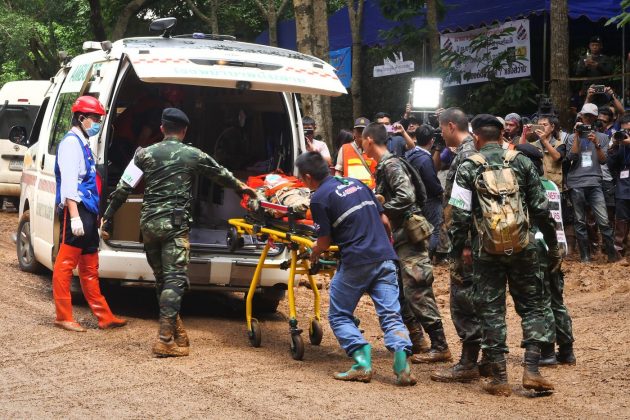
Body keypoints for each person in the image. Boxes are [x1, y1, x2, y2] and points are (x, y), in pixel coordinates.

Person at [102, 108, 258, 357]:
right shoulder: (192, 154)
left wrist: (108, 217)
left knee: (163, 281)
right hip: (174, 228)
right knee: (174, 281)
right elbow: (221, 174)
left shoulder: (143, 154)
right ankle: (164, 340)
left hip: (149, 226)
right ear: (184, 131)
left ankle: (178, 333)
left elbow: (123, 188)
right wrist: (244, 189)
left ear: (162, 129)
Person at [449, 114, 561, 396]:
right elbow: (541, 209)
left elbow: (458, 218)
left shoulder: (467, 166)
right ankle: (532, 370)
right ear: (502, 136)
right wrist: (553, 246)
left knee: (491, 310)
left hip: (485, 251)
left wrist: (456, 255)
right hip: (524, 247)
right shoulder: (521, 162)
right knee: (533, 306)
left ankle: (499, 377)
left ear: (476, 137)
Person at [301, 151, 416, 386]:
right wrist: (385, 245)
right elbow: (385, 221)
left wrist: (314, 252)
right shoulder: (356, 183)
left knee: (339, 314)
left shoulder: (319, 198)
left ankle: (362, 362)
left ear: (308, 177)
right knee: (391, 314)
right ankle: (402, 367)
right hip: (385, 258)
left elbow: (324, 242)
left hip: (356, 261)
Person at [362, 122, 452, 364]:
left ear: (369, 140)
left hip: (410, 237)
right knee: (400, 290)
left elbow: (407, 196)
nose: (361, 146)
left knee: (417, 289)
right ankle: (417, 339)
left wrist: (379, 209)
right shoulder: (385, 165)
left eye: (362, 141)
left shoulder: (391, 165)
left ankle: (440, 345)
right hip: (399, 237)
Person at [53, 95, 127, 332]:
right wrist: (74, 216)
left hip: (88, 210)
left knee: (90, 265)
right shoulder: (70, 144)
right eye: (94, 119)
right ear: (81, 117)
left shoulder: (83, 142)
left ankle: (104, 316)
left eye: (99, 119)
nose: (97, 123)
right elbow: (69, 183)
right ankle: (63, 316)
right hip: (77, 210)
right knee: (65, 264)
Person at [430, 107, 482, 383]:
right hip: (479, 238)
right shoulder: (477, 149)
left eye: (441, 128)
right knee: (481, 297)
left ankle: (469, 362)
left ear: (451, 126)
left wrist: (463, 243)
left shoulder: (465, 156)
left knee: (462, 299)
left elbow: (463, 204)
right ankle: (489, 359)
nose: (440, 133)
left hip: (466, 240)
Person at [515, 143, 576, 366]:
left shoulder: (525, 186)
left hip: (538, 248)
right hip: (556, 246)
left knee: (541, 301)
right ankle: (567, 351)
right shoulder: (550, 184)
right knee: (557, 301)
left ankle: (547, 351)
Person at [565, 103, 619, 263]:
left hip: (595, 182)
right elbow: (572, 157)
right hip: (576, 182)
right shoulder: (571, 137)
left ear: (595, 118)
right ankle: (585, 257)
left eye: (591, 116)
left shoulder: (602, 137)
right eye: (585, 115)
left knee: (604, 220)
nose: (587, 119)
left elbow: (603, 161)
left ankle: (611, 255)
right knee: (580, 221)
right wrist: (577, 136)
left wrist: (596, 144)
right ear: (581, 116)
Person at [403, 125, 445, 260]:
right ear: (432, 140)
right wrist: (440, 191)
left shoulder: (410, 155)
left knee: (419, 230)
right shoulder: (425, 159)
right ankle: (426, 259)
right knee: (434, 231)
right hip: (430, 199)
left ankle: (419, 258)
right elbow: (431, 180)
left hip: (416, 198)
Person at [608, 114, 630, 256]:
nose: (626, 134)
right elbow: (610, 164)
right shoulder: (620, 146)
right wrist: (615, 146)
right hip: (623, 187)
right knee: (621, 218)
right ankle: (619, 249)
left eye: (629, 131)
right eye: (624, 131)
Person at [334, 117, 376, 189]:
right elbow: (338, 173)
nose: (362, 133)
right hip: (351, 191)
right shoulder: (344, 148)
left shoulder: (374, 149)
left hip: (370, 191)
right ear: (354, 132)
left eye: (364, 131)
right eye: (359, 130)